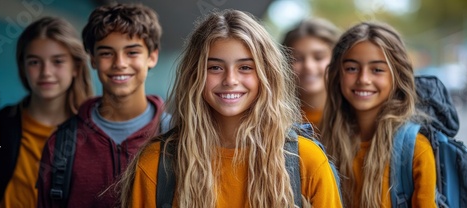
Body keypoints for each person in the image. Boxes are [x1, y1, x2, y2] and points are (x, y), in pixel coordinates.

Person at [119, 9, 342, 208]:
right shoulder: (157, 164)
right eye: (215, 67)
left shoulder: (307, 160)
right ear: (194, 75)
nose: (230, 79)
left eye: (245, 67)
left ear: (268, 76)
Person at [36, 3, 170, 207]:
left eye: (132, 52)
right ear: (93, 59)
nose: (120, 63)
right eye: (107, 53)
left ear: (152, 57)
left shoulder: (177, 136)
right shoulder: (61, 144)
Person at [319, 22, 437, 207]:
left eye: (377, 70)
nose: (363, 79)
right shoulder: (323, 141)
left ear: (397, 77)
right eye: (351, 68)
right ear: (337, 74)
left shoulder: (415, 149)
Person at [0, 17, 93, 208]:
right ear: (23, 67)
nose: (46, 72)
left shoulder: (93, 134)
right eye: (34, 62)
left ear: (76, 67)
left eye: (58, 61)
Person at [282, 18, 340, 127]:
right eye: (297, 58)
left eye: (319, 57)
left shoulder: (355, 117)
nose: (308, 66)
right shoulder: (275, 119)